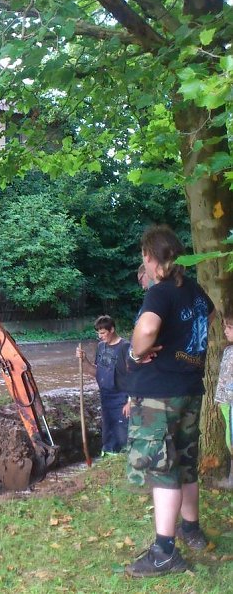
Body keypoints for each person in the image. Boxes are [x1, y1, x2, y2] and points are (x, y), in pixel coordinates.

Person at [124, 225, 215, 578]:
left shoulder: (160, 293)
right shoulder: (193, 290)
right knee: (186, 461)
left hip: (160, 394)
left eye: (144, 257)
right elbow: (209, 315)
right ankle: (191, 529)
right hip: (190, 389)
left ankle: (164, 552)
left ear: (149, 256)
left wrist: (137, 351)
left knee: (162, 468)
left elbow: (147, 329)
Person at [76, 315, 130, 455]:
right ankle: (108, 454)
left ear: (112, 329)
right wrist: (84, 360)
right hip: (105, 396)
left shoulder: (125, 347)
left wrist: (131, 401)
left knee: (122, 432)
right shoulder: (101, 346)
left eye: (103, 333)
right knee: (108, 431)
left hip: (122, 397)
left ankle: (124, 456)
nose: (100, 336)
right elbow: (95, 372)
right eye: (98, 333)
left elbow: (134, 375)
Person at [213, 314, 233, 489]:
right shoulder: (228, 351)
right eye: (225, 327)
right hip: (226, 403)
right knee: (230, 439)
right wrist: (220, 399)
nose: (225, 331)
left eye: (230, 328)